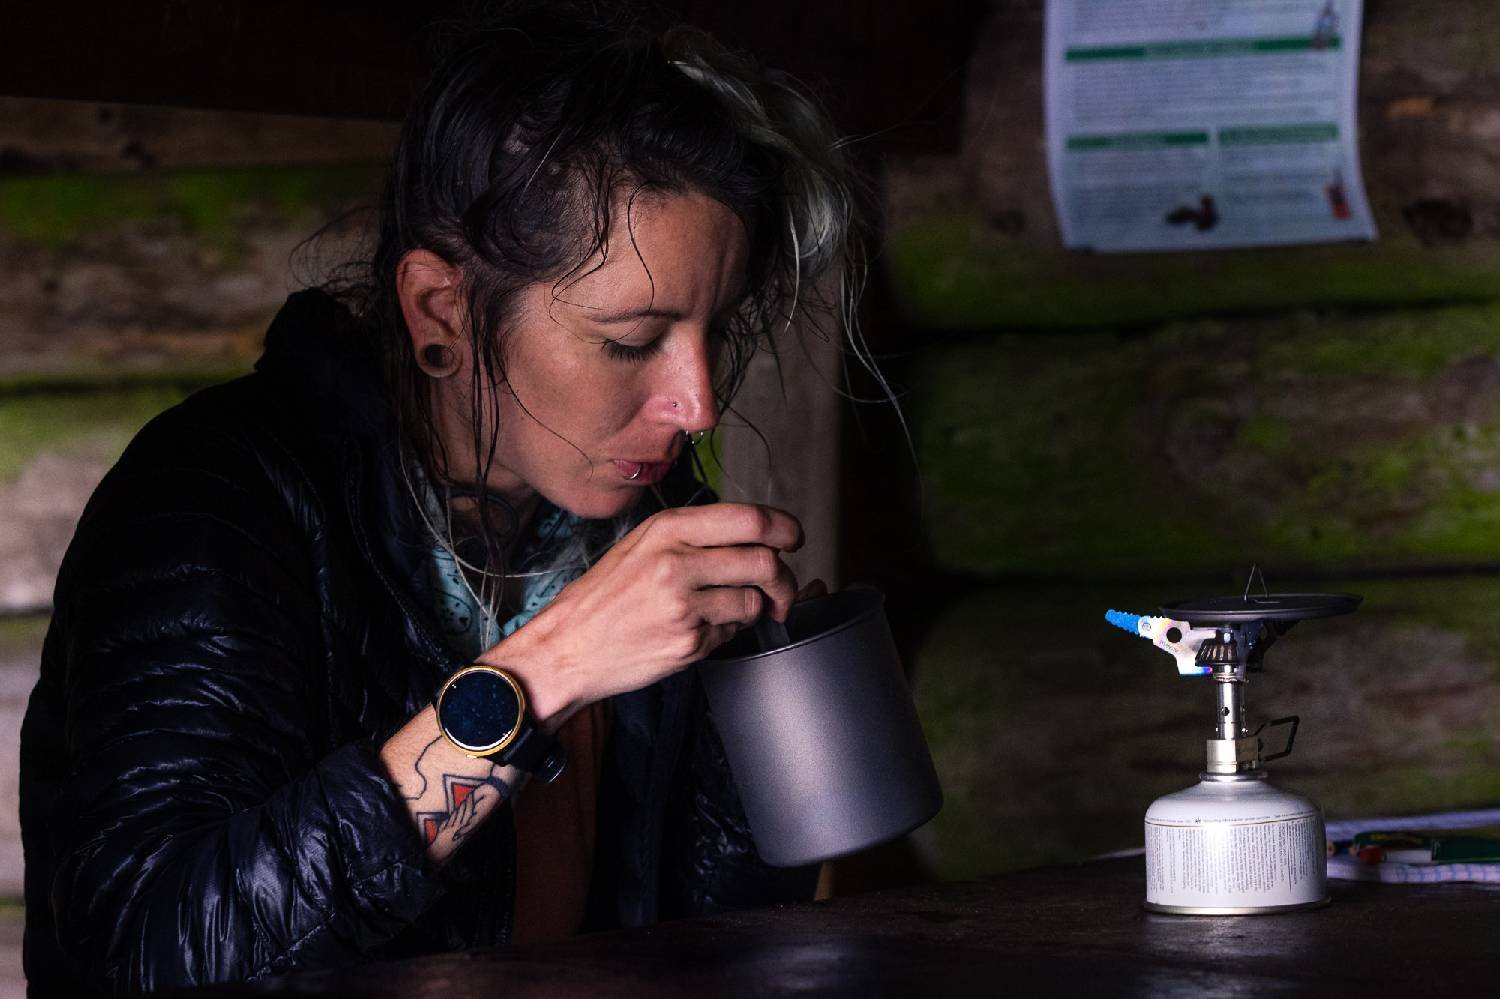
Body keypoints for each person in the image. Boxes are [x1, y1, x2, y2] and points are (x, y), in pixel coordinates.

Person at [18, 3, 866, 991]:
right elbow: (143, 953)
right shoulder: (218, 503)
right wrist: (544, 673)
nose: (697, 402)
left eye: (713, 331)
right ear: (440, 313)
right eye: (630, 341)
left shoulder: (621, 516)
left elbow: (684, 934)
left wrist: (746, 744)